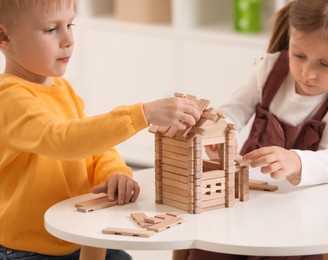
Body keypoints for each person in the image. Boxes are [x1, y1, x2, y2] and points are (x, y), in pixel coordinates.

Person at [0, 0, 201, 260]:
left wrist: (113, 171)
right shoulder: (9, 98)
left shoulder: (61, 88)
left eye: (70, 24)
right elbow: (62, 139)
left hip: (79, 232)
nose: (68, 39)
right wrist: (141, 114)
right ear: (4, 36)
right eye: (51, 29)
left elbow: (92, 143)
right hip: (32, 249)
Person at [191, 0, 328, 259]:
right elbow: (235, 109)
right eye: (299, 55)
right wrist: (219, 132)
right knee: (208, 247)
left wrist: (296, 161)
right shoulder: (271, 68)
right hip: (250, 203)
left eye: (326, 64)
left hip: (310, 219)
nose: (307, 73)